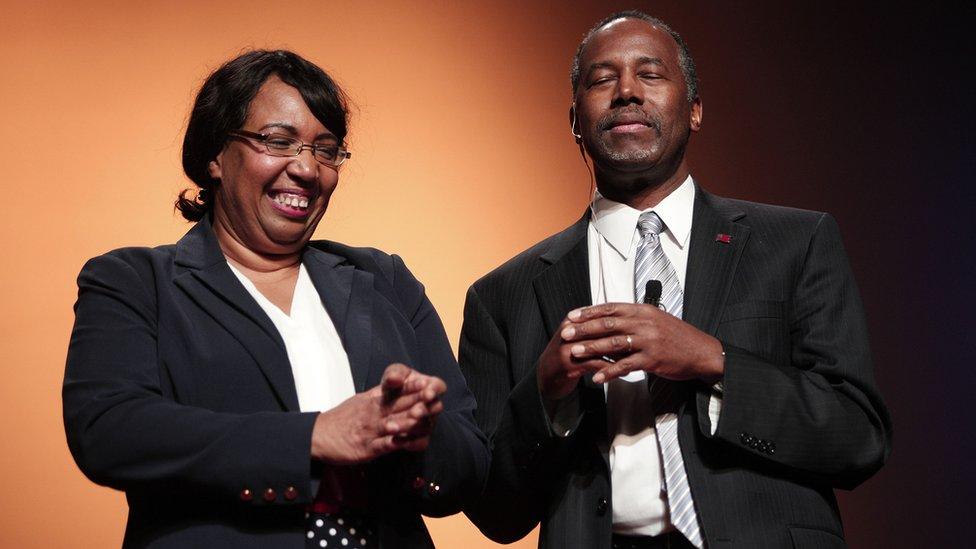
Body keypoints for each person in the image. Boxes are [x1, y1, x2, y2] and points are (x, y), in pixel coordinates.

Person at [458, 11, 891, 549]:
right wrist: (547, 392)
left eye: (651, 74)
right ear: (575, 120)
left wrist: (714, 360)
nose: (626, 93)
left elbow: (857, 437)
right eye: (601, 79)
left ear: (696, 109)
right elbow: (494, 512)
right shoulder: (502, 296)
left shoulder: (796, 244)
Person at [63, 49, 488, 548]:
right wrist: (313, 437)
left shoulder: (384, 279)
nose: (307, 169)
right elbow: (109, 430)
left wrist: (421, 438)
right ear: (214, 155)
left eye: (326, 150)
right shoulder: (135, 281)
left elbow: (470, 464)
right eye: (278, 141)